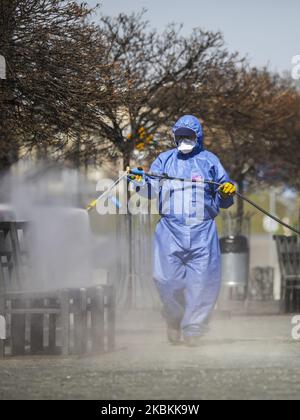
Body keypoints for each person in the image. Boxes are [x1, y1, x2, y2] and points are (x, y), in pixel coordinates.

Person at [129, 115, 236, 347]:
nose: (185, 140)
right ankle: (174, 318)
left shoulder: (210, 161)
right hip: (170, 229)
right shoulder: (164, 160)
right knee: (165, 279)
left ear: (198, 137)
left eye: (189, 136)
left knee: (204, 281)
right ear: (175, 137)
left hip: (202, 230)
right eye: (181, 136)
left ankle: (193, 328)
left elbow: (224, 197)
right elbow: (151, 190)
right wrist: (139, 181)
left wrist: (227, 192)